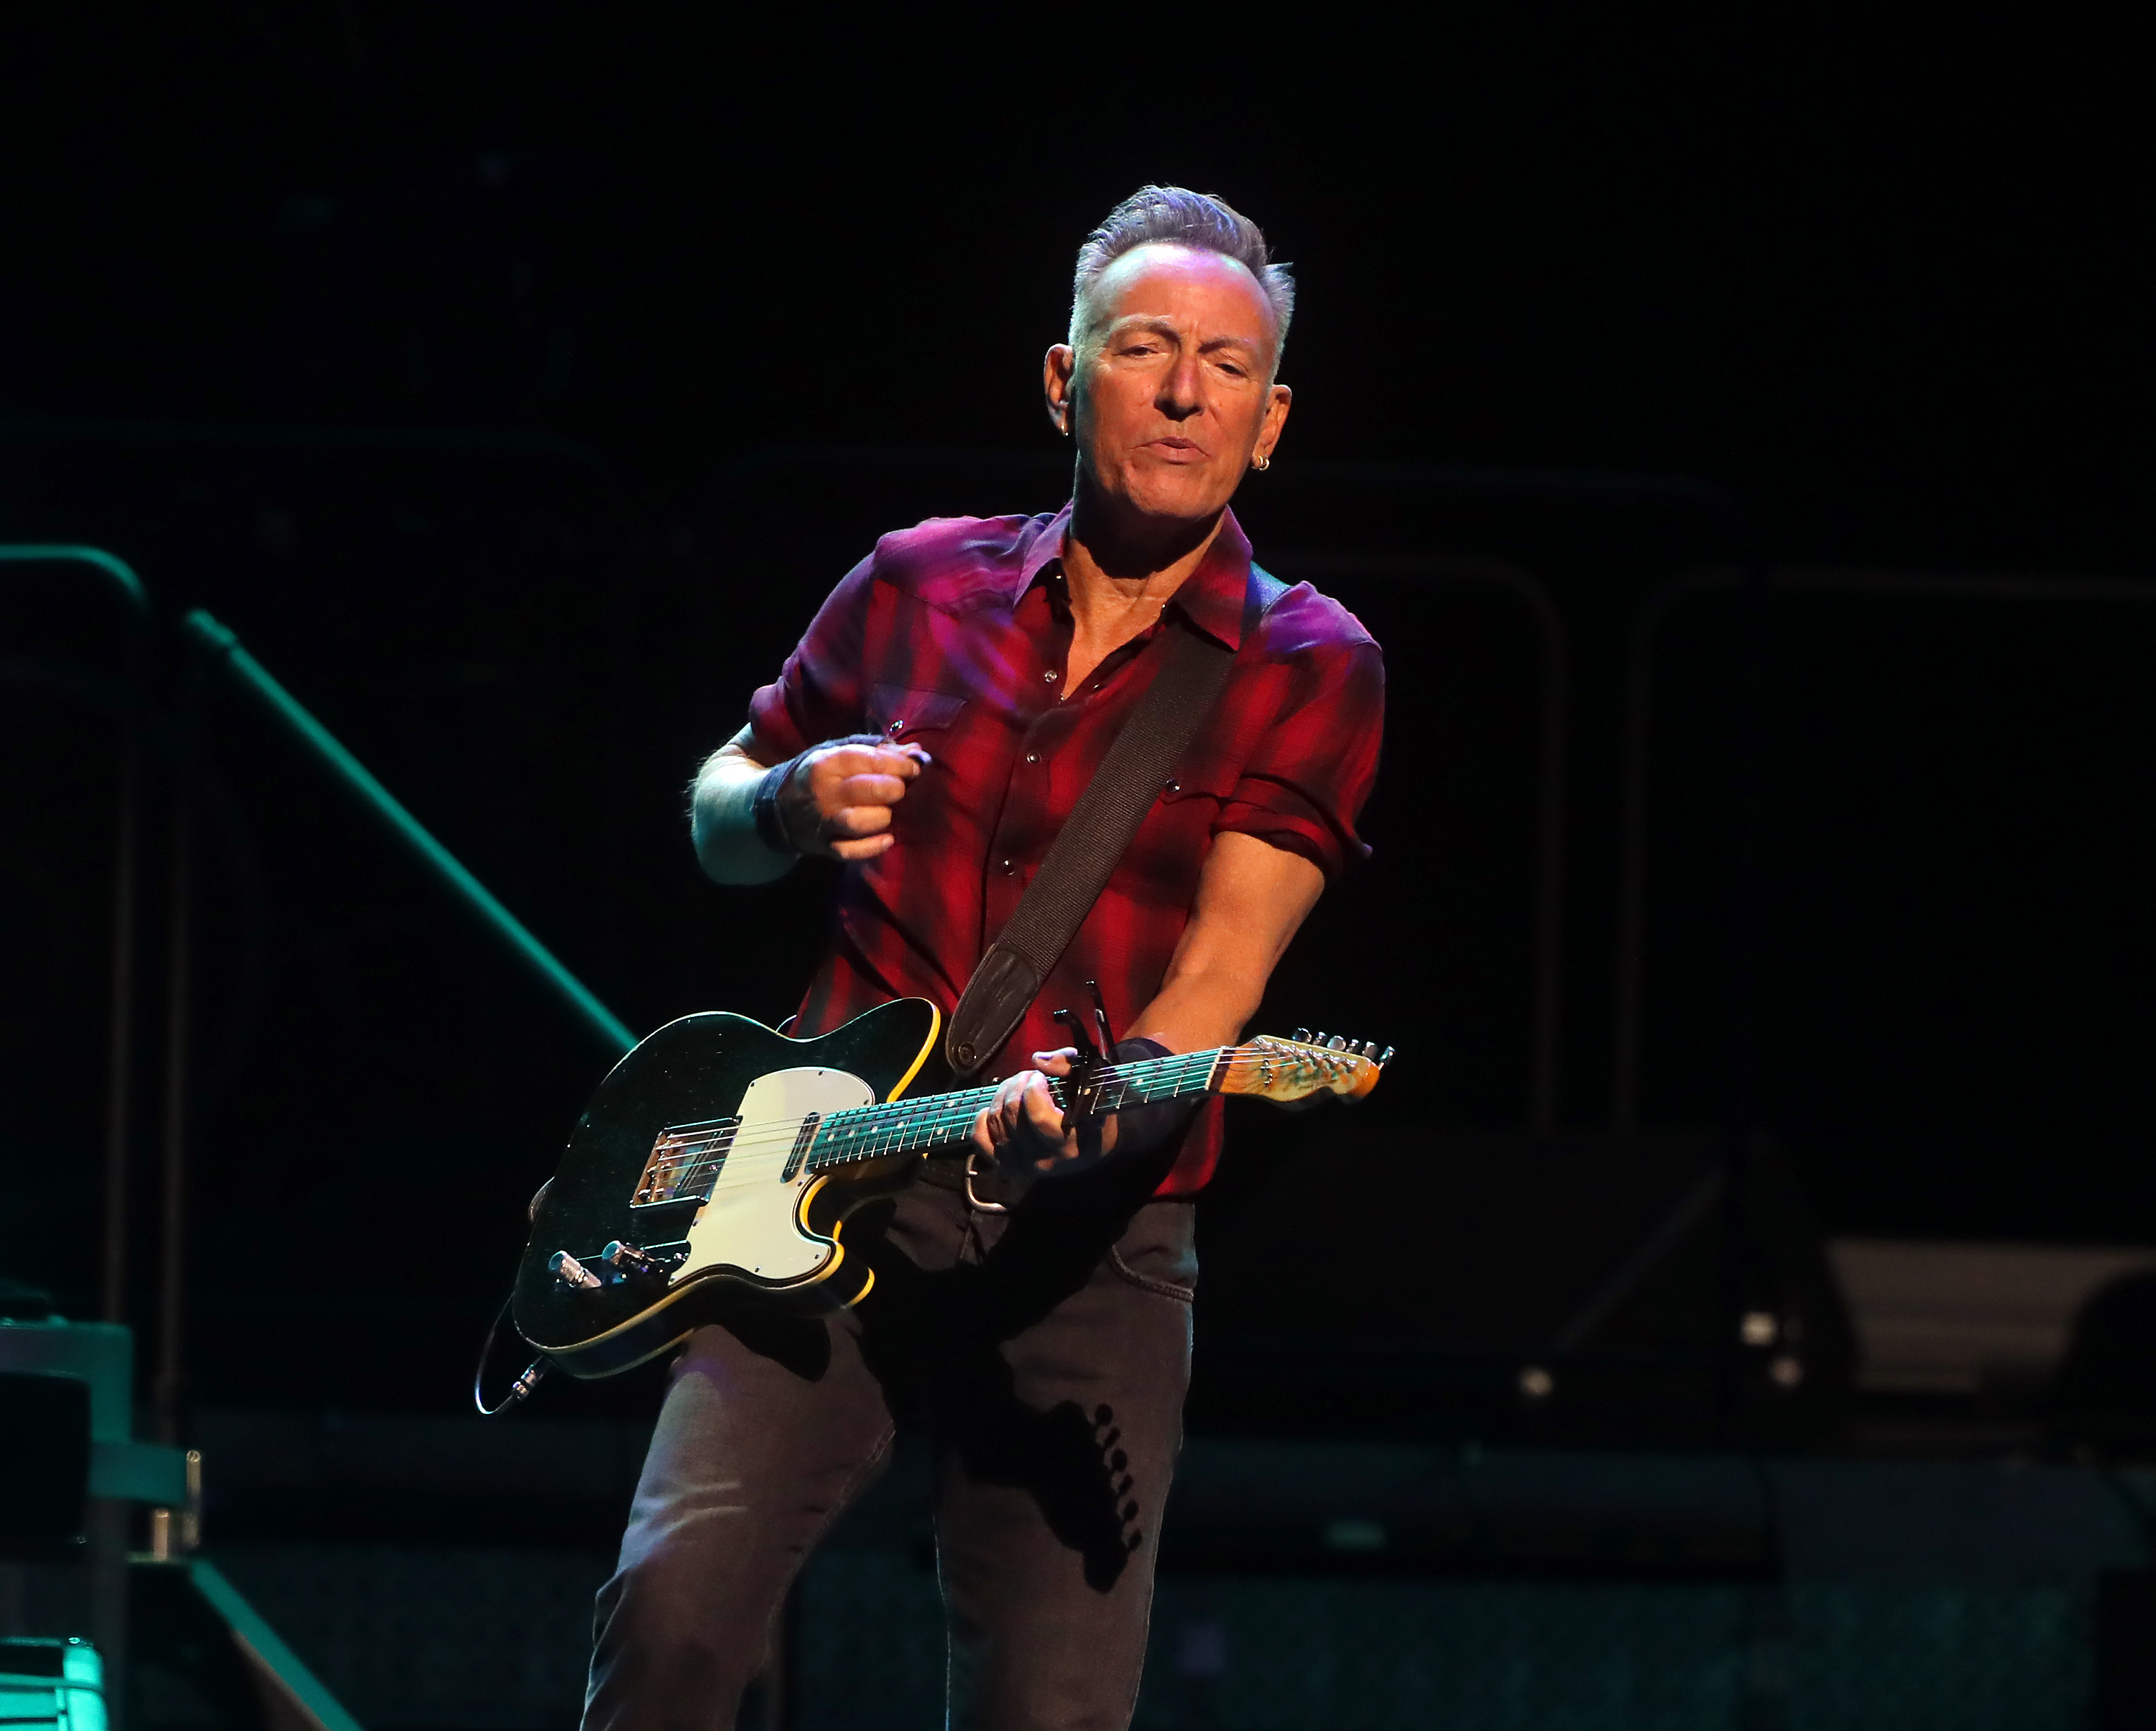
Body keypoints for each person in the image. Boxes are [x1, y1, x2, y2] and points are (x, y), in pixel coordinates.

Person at [584, 185, 1384, 1731]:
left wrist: (1094, 1110)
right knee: (674, 1620)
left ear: (1270, 419)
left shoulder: (1313, 662)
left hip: (1093, 1248)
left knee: (1051, 1710)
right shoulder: (915, 579)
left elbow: (1218, 984)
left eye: (1224, 364)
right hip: (816, 1181)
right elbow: (713, 816)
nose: (1179, 390)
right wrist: (785, 799)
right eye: (1143, 347)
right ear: (1061, 379)